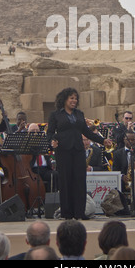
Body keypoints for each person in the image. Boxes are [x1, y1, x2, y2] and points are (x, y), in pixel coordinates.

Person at [47, 88, 112, 220]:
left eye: (76, 98)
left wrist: (102, 140)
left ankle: (79, 213)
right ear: (64, 99)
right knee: (65, 182)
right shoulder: (55, 115)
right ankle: (67, 213)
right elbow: (50, 133)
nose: (74, 101)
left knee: (79, 182)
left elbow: (87, 133)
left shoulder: (79, 114)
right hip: (63, 151)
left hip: (78, 151)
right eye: (71, 98)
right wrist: (52, 141)